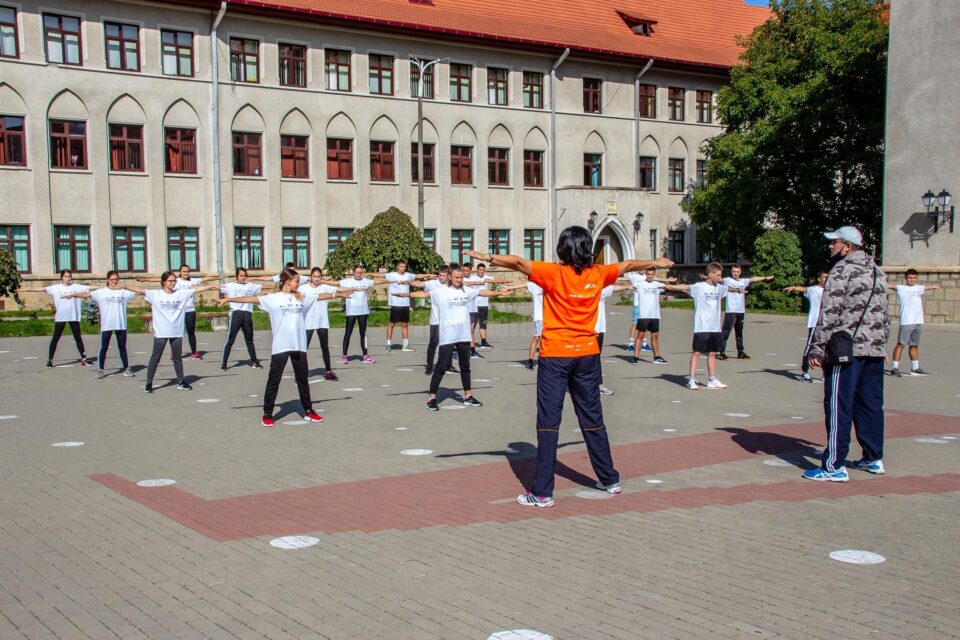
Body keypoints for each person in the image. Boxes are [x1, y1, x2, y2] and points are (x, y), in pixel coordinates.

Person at [466, 232, 672, 508]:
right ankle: (609, 479)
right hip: (587, 355)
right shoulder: (597, 273)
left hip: (556, 357)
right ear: (587, 250)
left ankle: (542, 493)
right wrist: (656, 260)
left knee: (549, 424)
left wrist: (489, 257)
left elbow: (517, 263)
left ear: (562, 249)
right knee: (593, 419)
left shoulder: (553, 273)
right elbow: (627, 265)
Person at [805, 226, 889, 482]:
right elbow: (885, 313)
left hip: (846, 348)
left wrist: (816, 347)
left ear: (848, 246)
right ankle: (873, 458)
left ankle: (833, 465)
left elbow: (829, 312)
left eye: (835, 242)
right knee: (871, 404)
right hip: (873, 348)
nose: (831, 246)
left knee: (838, 404)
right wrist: (883, 343)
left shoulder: (841, 270)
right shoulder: (878, 271)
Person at [220, 268, 349, 427]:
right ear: (288, 281)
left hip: (299, 345)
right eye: (296, 281)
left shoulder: (301, 297)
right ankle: (268, 414)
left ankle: (308, 410)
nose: (299, 284)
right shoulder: (273, 298)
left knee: (302, 380)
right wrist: (228, 300)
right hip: (281, 346)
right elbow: (251, 299)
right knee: (274, 381)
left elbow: (320, 296)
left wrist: (338, 294)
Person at [396, 263, 503, 410]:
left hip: (464, 335)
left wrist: (500, 293)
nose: (459, 280)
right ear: (450, 277)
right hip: (448, 336)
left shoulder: (466, 290)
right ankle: (432, 397)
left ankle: (468, 396)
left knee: (465, 367)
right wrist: (405, 294)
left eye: (461, 277)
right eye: (457, 277)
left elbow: (482, 293)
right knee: (440, 367)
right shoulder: (441, 292)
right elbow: (424, 294)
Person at [123, 273, 220, 392]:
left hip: (176, 332)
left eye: (174, 281)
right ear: (163, 282)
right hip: (161, 332)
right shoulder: (156, 294)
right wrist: (124, 286)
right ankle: (148, 383)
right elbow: (139, 289)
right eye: (170, 281)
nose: (173, 283)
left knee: (177, 358)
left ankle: (181, 382)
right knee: (155, 357)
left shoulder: (180, 293)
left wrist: (212, 286)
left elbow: (198, 289)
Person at [670, 263, 743, 390]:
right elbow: (686, 287)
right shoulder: (699, 287)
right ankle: (691, 380)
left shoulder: (719, 288)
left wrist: (738, 290)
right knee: (697, 353)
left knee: (713, 353)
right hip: (702, 327)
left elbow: (728, 289)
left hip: (715, 328)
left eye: (721, 275)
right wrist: (668, 286)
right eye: (718, 275)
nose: (720, 278)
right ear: (710, 274)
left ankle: (712, 379)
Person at [61, 271, 136, 378]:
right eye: (112, 279)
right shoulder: (101, 292)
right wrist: (73, 295)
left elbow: (139, 292)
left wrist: (127, 286)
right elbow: (87, 294)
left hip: (121, 324)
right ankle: (100, 370)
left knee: (122, 347)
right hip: (107, 325)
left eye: (116, 279)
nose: (114, 281)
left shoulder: (123, 292)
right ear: (108, 280)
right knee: (103, 348)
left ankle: (126, 368)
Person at [138, 265, 219, 359]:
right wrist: (146, 280)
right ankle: (175, 353)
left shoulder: (193, 281)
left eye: (188, 271)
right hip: (178, 310)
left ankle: (194, 352)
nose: (186, 273)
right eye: (184, 271)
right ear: (180, 272)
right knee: (176, 332)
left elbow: (206, 278)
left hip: (190, 309)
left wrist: (219, 277)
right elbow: (160, 279)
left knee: (191, 332)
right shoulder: (176, 281)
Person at [19, 270, 91, 368]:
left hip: (73, 316)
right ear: (62, 277)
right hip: (61, 317)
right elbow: (41, 289)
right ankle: (50, 360)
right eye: (66, 276)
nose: (68, 278)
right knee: (55, 339)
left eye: (69, 276)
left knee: (78, 338)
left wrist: (110, 287)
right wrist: (24, 290)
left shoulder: (76, 287)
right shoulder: (56, 288)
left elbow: (92, 288)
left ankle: (84, 359)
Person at [320, 266, 388, 364]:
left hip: (363, 312)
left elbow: (377, 282)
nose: (359, 275)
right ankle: (344, 356)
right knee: (348, 333)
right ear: (353, 272)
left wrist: (390, 280)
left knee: (363, 334)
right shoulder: (347, 281)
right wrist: (322, 281)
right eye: (357, 273)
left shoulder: (366, 281)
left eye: (361, 273)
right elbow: (335, 283)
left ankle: (365, 356)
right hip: (351, 312)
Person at [300, 267, 351, 381]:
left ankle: (328, 371)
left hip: (322, 322)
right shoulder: (303, 288)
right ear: (311, 277)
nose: (317, 279)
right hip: (308, 322)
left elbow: (338, 289)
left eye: (319, 277)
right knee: (304, 348)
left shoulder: (324, 287)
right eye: (314, 276)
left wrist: (355, 288)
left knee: (325, 347)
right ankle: (302, 371)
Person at [889, 268, 940, 377]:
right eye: (910, 278)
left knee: (914, 345)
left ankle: (915, 368)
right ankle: (895, 368)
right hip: (907, 321)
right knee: (901, 344)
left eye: (914, 278)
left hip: (918, 321)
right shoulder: (901, 288)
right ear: (906, 278)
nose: (912, 280)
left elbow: (926, 287)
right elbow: (890, 286)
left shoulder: (919, 288)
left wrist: (934, 286)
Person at [718, 265, 774, 360]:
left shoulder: (743, 281)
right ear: (731, 272)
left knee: (739, 333)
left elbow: (754, 279)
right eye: (734, 271)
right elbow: (717, 279)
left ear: (740, 272)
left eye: (737, 271)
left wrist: (765, 278)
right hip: (731, 311)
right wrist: (706, 277)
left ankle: (740, 352)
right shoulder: (728, 280)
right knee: (726, 332)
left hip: (741, 311)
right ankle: (722, 352)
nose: (735, 273)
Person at [628, 267, 679, 365]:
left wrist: (671, 282)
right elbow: (629, 286)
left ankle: (657, 357)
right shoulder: (640, 284)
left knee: (655, 336)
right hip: (643, 315)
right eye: (648, 274)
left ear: (654, 275)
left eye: (652, 274)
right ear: (646, 274)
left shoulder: (657, 285)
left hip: (655, 315)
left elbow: (669, 287)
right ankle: (635, 357)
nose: (650, 276)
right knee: (640, 336)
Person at [783, 272, 828, 382]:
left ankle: (826, 373)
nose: (826, 279)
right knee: (809, 347)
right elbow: (803, 289)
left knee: (827, 349)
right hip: (815, 323)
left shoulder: (831, 291)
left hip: (826, 324)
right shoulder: (814, 290)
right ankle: (805, 372)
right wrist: (793, 287)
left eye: (828, 277)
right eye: (824, 277)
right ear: (819, 279)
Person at [595, 283, 635, 396]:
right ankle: (588, 386)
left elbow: (614, 288)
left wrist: (627, 286)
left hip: (599, 328)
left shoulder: (600, 287)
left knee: (596, 357)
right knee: (587, 358)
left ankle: (598, 385)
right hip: (588, 329)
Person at [219, 267, 263, 370]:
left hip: (247, 314)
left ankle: (255, 362)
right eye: (241, 276)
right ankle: (224, 363)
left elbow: (264, 287)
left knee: (249, 339)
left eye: (244, 275)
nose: (243, 278)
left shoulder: (250, 286)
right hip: (235, 314)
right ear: (237, 276)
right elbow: (215, 288)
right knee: (230, 340)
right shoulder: (230, 286)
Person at [384, 260, 431, 352]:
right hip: (395, 304)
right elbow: (379, 276)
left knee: (405, 324)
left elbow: (418, 276)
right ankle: (388, 344)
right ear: (397, 267)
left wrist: (429, 275)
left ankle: (405, 346)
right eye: (401, 266)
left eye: (404, 266)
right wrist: (366, 274)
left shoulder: (408, 275)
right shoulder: (392, 275)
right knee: (391, 324)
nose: (403, 268)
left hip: (405, 304)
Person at [409, 265, 449, 375]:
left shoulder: (452, 285)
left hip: (449, 320)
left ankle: (448, 365)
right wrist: (407, 281)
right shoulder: (433, 284)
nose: (441, 277)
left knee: (448, 343)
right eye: (440, 275)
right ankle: (430, 365)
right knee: (434, 342)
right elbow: (421, 284)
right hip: (435, 319)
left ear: (448, 276)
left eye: (443, 275)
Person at [499, 278, 543, 370]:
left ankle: (546, 361)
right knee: (536, 338)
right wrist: (509, 287)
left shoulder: (551, 283)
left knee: (548, 340)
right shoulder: (534, 285)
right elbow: (523, 285)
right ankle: (530, 362)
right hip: (539, 317)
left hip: (551, 317)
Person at [466, 262, 509, 351]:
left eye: (483, 270)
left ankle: (483, 342)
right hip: (475, 306)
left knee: (483, 324)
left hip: (484, 305)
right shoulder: (473, 278)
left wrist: (502, 281)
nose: (481, 271)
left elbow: (493, 280)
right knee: (472, 327)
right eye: (480, 270)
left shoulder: (486, 277)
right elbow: (485, 281)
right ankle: (469, 343)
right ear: (477, 270)